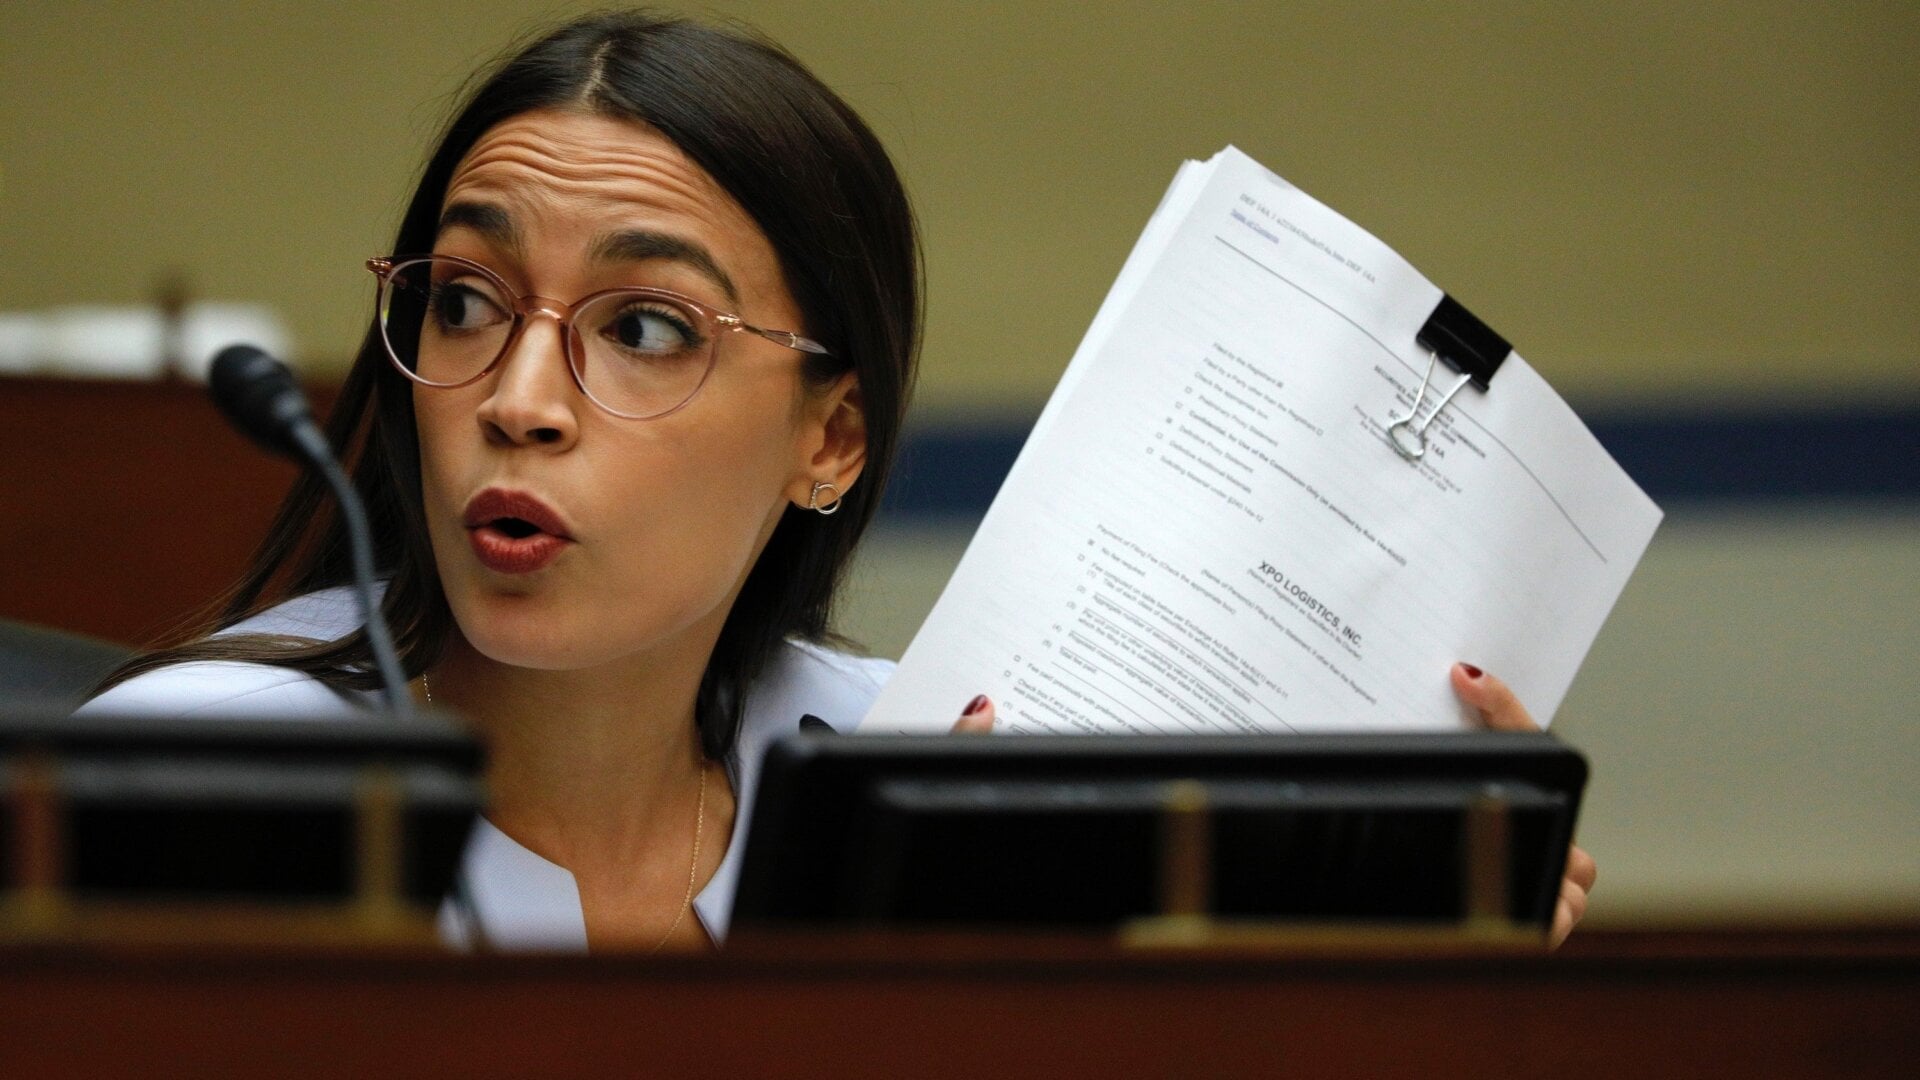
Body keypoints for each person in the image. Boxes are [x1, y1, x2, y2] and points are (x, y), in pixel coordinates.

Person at [81, 10, 1593, 951]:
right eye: (466, 301)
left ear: (831, 441)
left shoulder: (937, 773)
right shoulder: (188, 784)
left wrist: (1427, 997)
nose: (519, 400)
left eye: (647, 328)